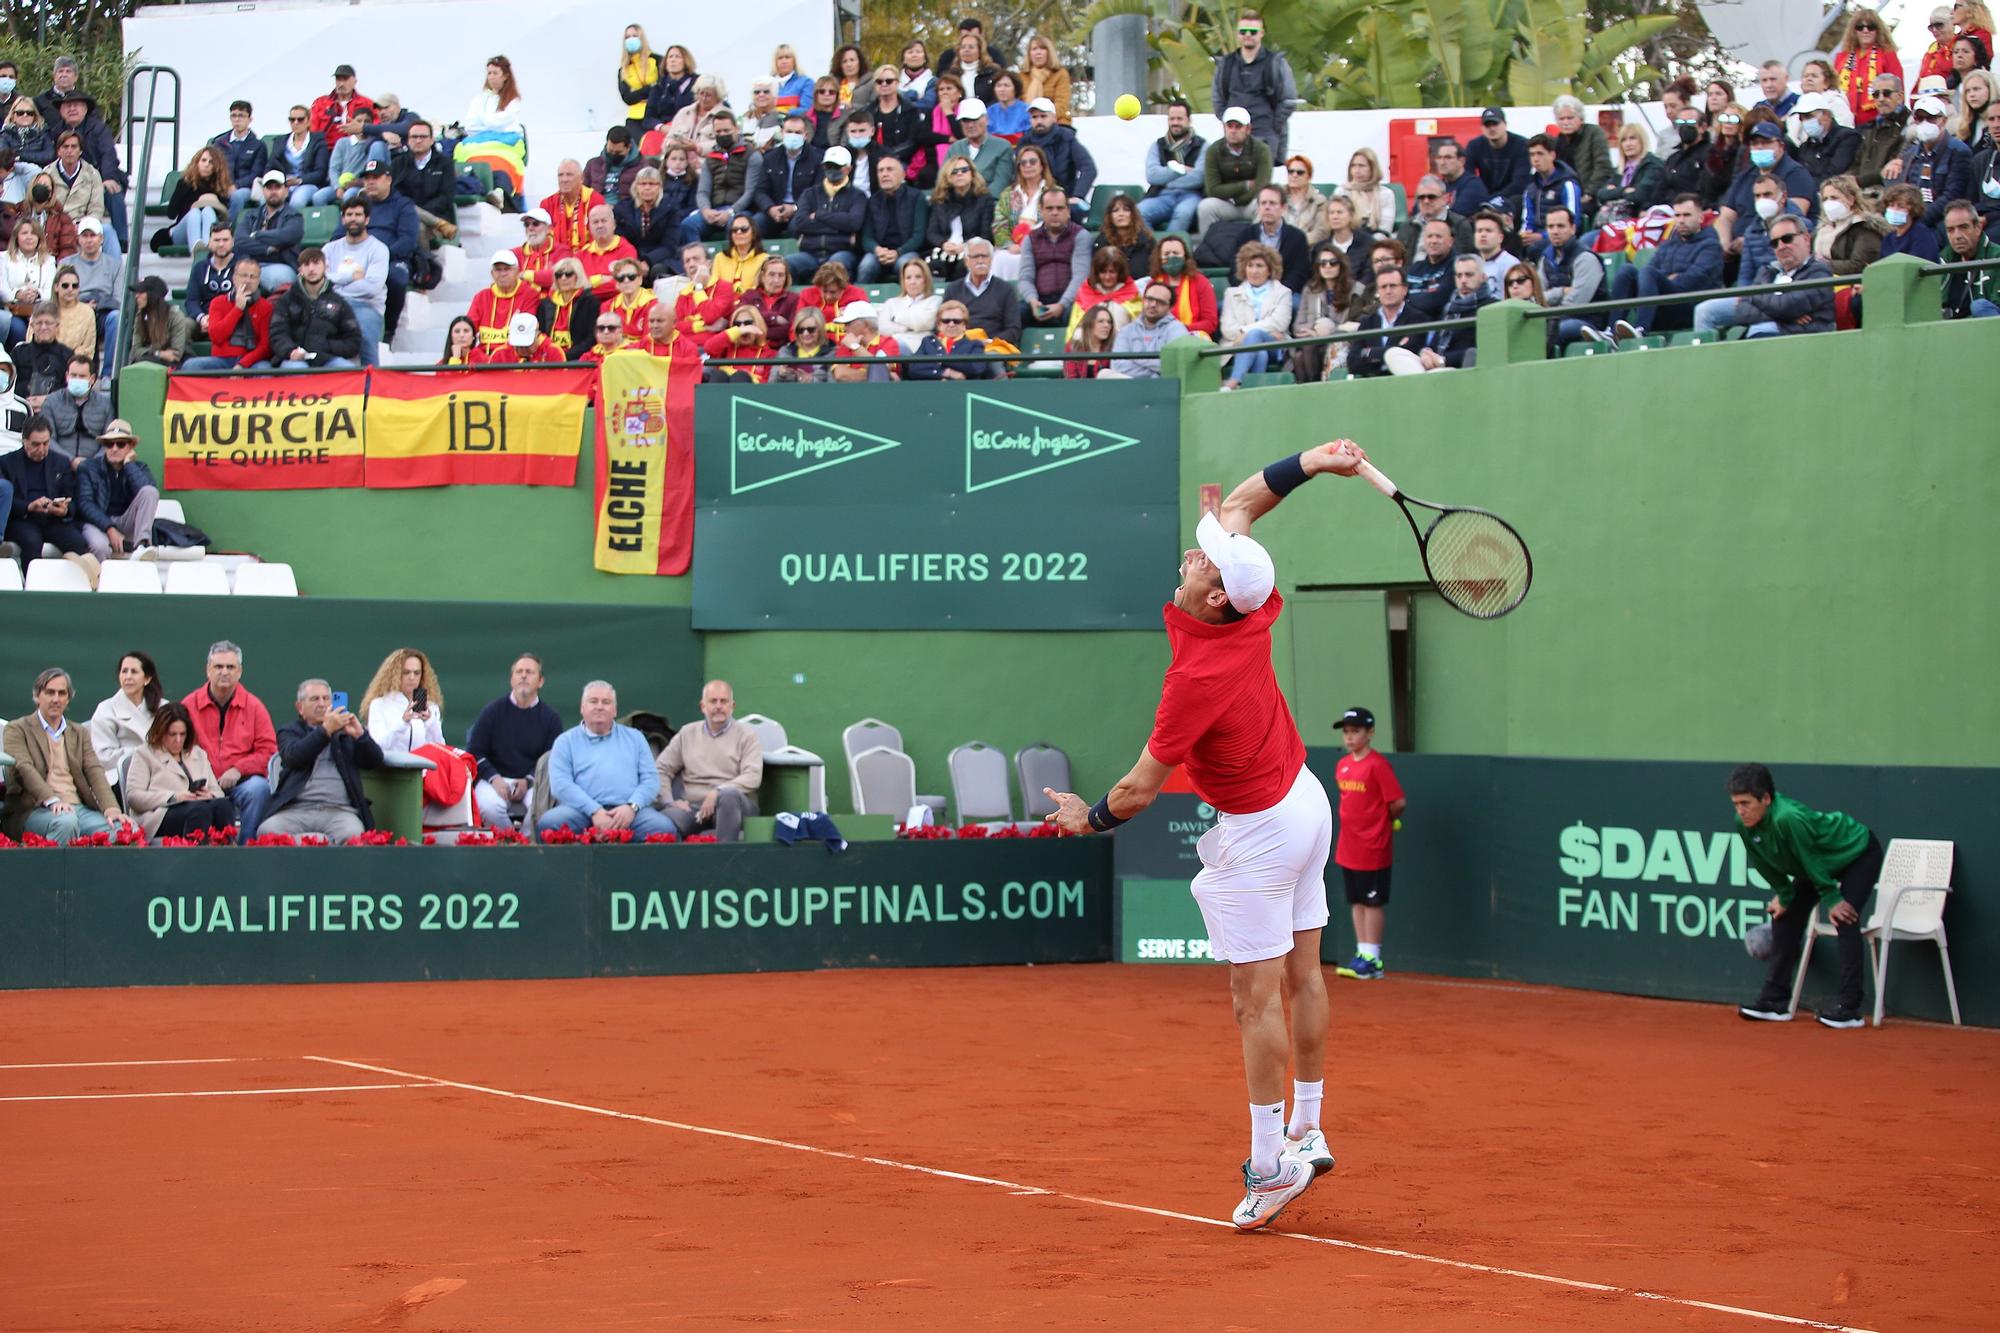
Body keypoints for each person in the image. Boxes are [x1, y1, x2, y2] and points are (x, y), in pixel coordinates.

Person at [1044, 439, 1377, 1229]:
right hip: (1306, 800)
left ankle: (1270, 1164)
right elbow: (1245, 505)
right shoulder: (1251, 603)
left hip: (1261, 831)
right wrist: (1316, 460)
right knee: (1305, 971)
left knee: (1252, 995)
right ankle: (1309, 1123)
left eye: (1204, 561)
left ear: (1219, 595)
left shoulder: (1193, 678)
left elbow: (1136, 790)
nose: (1196, 553)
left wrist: (1083, 818)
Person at [1730, 763, 1882, 1029]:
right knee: (1784, 917)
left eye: (1746, 803)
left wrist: (1833, 899)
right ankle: (1774, 1002)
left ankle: (1849, 1008)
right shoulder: (1744, 825)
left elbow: (1811, 858)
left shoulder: (1787, 818)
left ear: (1766, 798)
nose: (1740, 810)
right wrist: (1785, 895)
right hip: (1820, 865)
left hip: (1856, 851)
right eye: (1736, 803)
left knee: (1845, 917)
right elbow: (1763, 863)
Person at [2, 666, 133, 843]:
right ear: (37, 696)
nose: (56, 699)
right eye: (50, 692)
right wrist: (52, 800)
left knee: (125, 828)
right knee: (66, 823)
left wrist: (111, 808)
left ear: (68, 698)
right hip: (35, 808)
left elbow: (94, 771)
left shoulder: (79, 732)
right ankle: (49, 869)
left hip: (78, 808)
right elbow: (24, 767)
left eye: (62, 693)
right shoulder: (17, 729)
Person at [538, 679, 675, 841]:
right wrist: (595, 811)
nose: (599, 706)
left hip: (630, 813)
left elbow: (651, 780)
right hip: (580, 812)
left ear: (615, 710)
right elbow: (561, 785)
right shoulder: (565, 741)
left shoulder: (635, 738)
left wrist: (631, 807)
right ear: (582, 708)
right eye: (593, 701)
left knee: (665, 829)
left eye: (606, 702)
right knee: (549, 823)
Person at [260, 678, 386, 842]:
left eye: (326, 699)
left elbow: (374, 761)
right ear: (300, 707)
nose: (322, 704)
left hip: (340, 811)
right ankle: (313, 849)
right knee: (267, 831)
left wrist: (360, 735)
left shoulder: (345, 732)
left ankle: (316, 849)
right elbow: (294, 757)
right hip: (296, 810)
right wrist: (326, 730)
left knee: (353, 836)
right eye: (315, 699)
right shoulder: (289, 731)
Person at [1590, 194, 1723, 343]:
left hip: (1690, 307)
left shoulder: (1711, 245)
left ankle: (1641, 330)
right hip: (1663, 305)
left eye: (1687, 215)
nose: (1681, 220)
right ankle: (1611, 331)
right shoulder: (1668, 245)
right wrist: (1666, 279)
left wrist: (1663, 280)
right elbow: (1649, 271)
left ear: (1700, 217)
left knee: (1649, 274)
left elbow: (1695, 279)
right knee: (1627, 271)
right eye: (1677, 215)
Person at [181, 639, 277, 840]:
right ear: (208, 670)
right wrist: (201, 781)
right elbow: (176, 749)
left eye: (230, 667)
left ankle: (245, 851)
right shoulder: (189, 705)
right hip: (199, 784)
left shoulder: (254, 706)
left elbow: (268, 750)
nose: (224, 672)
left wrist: (239, 768)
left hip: (241, 782)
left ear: (240, 671)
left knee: (259, 789)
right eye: (218, 666)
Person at [463, 652, 564, 832]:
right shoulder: (492, 711)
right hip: (494, 779)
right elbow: (474, 752)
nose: (523, 675)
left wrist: (528, 781)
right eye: (519, 672)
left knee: (541, 809)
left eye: (529, 672)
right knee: (489, 807)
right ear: (512, 680)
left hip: (533, 782)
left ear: (541, 681)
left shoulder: (551, 719)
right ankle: (509, 841)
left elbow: (551, 758)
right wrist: (494, 779)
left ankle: (526, 845)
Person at [653, 679, 761, 842]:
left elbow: (753, 776)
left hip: (734, 805)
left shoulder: (747, 735)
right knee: (664, 821)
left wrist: (717, 792)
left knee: (729, 796)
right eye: (713, 701)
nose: (718, 706)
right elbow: (661, 769)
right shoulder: (687, 733)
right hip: (694, 807)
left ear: (732, 706)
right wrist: (669, 801)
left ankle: (724, 861)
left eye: (723, 701)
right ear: (703, 706)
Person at [1692, 215, 1834, 338]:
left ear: (1806, 238)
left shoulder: (1819, 272)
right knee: (1705, 311)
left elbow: (1786, 306)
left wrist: (1755, 297)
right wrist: (1787, 317)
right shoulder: (1768, 271)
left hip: (1790, 340)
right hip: (1757, 338)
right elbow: (1743, 310)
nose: (1781, 246)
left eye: (1787, 239)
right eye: (1775, 243)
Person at [124, 701, 237, 840]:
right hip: (159, 815)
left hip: (199, 808)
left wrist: (209, 795)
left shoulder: (198, 753)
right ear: (160, 732)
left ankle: (225, 854)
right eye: (172, 734)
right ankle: (193, 858)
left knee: (223, 806)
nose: (178, 740)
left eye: (182, 734)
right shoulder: (144, 754)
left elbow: (217, 791)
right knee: (199, 810)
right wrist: (173, 797)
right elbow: (133, 797)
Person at [2, 415, 94, 582]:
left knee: (77, 542)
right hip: (22, 520)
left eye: (46, 443)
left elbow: (72, 497)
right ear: (24, 441)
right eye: (36, 444)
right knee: (31, 541)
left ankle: (75, 587)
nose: (42, 449)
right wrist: (29, 506)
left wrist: (64, 509)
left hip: (52, 519)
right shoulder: (7, 463)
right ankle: (34, 588)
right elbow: (5, 500)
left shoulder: (60, 462)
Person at [1211, 8, 1296, 159]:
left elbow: (1288, 100)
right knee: (1232, 181)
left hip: (1265, 136)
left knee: (1263, 182)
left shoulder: (1276, 63)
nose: (1248, 35)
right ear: (1238, 34)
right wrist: (1229, 124)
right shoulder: (1226, 64)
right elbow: (1218, 99)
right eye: (1243, 31)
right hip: (1233, 138)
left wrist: (1274, 126)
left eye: (1253, 31)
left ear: (1261, 33)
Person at [76, 418, 156, 563]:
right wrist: (109, 528)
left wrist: (129, 465)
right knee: (100, 546)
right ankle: (99, 583)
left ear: (130, 446)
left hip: (126, 522)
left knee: (150, 492)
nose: (114, 449)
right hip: (97, 523)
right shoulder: (88, 467)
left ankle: (142, 547)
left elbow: (148, 493)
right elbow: (85, 503)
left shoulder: (140, 468)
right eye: (109, 444)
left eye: (120, 444)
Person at [269, 248, 362, 369]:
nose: (311, 269)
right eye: (306, 264)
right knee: (297, 369)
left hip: (328, 359)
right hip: (293, 360)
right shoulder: (286, 300)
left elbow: (353, 340)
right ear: (300, 270)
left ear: (325, 267)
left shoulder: (339, 303)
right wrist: (290, 351)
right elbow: (277, 334)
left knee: (347, 369)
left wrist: (327, 346)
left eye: (316, 263)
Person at [1889, 94, 1973, 227]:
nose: (1925, 123)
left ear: (1944, 121)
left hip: (1943, 221)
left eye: (1931, 118)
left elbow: (1952, 196)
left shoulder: (1958, 151)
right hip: (1911, 219)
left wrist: (1918, 222)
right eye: (1919, 118)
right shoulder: (1909, 154)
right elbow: (1902, 190)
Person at [1218, 240, 1292, 390]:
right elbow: (1227, 328)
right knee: (1259, 353)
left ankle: (1234, 380)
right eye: (1250, 266)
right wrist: (1250, 335)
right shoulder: (1231, 294)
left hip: (1274, 345)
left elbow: (1279, 323)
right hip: (1237, 345)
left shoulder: (1283, 292)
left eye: (1260, 266)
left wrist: (1245, 331)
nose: (1254, 271)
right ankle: (1253, 392)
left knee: (1256, 334)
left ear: (1270, 270)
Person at [323, 197, 389, 363]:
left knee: (364, 333)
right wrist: (350, 277)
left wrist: (334, 284)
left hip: (366, 306)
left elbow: (372, 287)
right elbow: (319, 281)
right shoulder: (330, 249)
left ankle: (373, 381)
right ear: (343, 218)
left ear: (366, 219)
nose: (353, 218)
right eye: (349, 214)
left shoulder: (378, 249)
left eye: (358, 214)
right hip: (331, 303)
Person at [788, 145, 865, 282]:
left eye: (836, 166)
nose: (831, 170)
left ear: (848, 169)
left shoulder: (857, 196)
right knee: (784, 265)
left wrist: (818, 215)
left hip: (842, 252)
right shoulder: (810, 194)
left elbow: (854, 223)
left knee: (836, 264)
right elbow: (800, 223)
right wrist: (838, 225)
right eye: (828, 166)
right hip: (810, 253)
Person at [1019, 188, 1091, 328]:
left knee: (1077, 313)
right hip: (1039, 301)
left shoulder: (1081, 236)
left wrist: (1062, 304)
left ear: (1068, 211)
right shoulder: (1030, 239)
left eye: (1060, 208)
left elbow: (1080, 277)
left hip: (1070, 301)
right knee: (1015, 313)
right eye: (1049, 208)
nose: (1055, 213)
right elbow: (1025, 277)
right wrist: (1033, 302)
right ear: (1041, 211)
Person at [182, 257, 270, 370]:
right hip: (221, 360)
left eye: (252, 277)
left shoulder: (265, 307)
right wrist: (237, 309)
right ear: (234, 278)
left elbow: (265, 346)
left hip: (251, 361)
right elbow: (216, 337)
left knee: (264, 369)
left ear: (258, 281)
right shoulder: (218, 302)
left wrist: (242, 364)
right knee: (191, 366)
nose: (248, 280)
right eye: (244, 275)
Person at [1535, 206, 1605, 348]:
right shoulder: (1545, 259)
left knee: (1554, 331)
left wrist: (1549, 310)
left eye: (1561, 226)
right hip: (1554, 318)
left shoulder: (1585, 258)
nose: (1555, 231)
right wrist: (1560, 292)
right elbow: (1538, 298)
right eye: (1550, 227)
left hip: (1587, 321)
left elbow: (1577, 303)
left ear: (1573, 228)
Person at [1197, 107, 1272, 236]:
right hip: (1226, 203)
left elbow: (1262, 186)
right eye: (1230, 126)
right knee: (1205, 207)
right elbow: (1212, 189)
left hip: (1251, 202)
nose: (1233, 131)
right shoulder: (1213, 150)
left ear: (1248, 129)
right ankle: (1209, 251)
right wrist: (1245, 186)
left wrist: (1238, 200)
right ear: (1224, 127)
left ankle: (1258, 249)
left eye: (1238, 127)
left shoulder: (1262, 149)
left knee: (1265, 206)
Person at [1137, 99, 1205, 235]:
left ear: (1189, 120)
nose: (1175, 123)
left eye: (1179, 119)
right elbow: (1152, 176)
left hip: (1191, 196)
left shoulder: (1203, 145)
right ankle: (1153, 250)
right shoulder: (1158, 145)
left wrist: (1166, 178)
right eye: (1171, 118)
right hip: (1162, 196)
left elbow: (1199, 177)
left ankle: (1170, 250)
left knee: (1183, 213)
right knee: (1138, 212)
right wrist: (1181, 170)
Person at [88, 648, 162, 772]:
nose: (128, 677)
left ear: (147, 679)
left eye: (134, 672)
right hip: (122, 777)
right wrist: (140, 752)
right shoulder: (106, 710)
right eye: (124, 671)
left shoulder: (163, 707)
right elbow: (103, 757)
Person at [361, 647, 445, 755]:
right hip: (391, 768)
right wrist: (402, 723)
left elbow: (440, 748)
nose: (412, 677)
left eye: (417, 673)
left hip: (421, 768)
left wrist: (430, 722)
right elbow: (377, 745)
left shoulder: (431, 707)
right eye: (406, 672)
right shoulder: (380, 704)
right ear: (395, 674)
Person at [942, 237, 1022, 346]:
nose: (980, 261)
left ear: (991, 259)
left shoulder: (1005, 289)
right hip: (960, 348)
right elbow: (944, 324)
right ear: (966, 261)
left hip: (993, 348)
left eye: (984, 256)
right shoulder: (953, 289)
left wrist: (990, 342)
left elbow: (1014, 329)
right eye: (975, 256)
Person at [753, 116, 823, 239]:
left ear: (805, 135)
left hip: (802, 210)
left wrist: (795, 208)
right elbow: (760, 191)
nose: (793, 136)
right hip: (775, 209)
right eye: (789, 132)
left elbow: (817, 192)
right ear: (782, 133)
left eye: (798, 133)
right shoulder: (770, 157)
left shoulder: (817, 158)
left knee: (796, 226)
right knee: (754, 225)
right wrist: (770, 208)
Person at [925, 153, 995, 277]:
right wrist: (944, 244)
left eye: (964, 170)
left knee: (963, 267)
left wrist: (965, 246)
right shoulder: (940, 200)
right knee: (933, 266)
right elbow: (932, 232)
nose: (959, 174)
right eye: (954, 171)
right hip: (945, 250)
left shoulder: (984, 200)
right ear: (948, 177)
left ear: (972, 174)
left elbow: (986, 235)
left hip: (972, 250)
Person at [859, 155, 926, 283]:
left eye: (890, 169)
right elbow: (867, 237)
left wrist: (898, 252)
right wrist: (876, 249)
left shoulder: (916, 197)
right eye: (881, 170)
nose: (884, 174)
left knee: (906, 265)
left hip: (906, 251)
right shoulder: (873, 201)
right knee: (866, 265)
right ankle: (859, 301)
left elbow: (919, 236)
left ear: (902, 175)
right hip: (880, 253)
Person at [1102, 282, 1189, 380]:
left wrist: (1135, 357)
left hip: (1162, 386)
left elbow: (1171, 366)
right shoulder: (1127, 330)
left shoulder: (1177, 329)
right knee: (1104, 373)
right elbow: (1118, 365)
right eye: (1149, 299)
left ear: (1171, 307)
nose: (1153, 304)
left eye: (1160, 302)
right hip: (1130, 384)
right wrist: (1154, 375)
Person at [233, 170, 303, 291]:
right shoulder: (251, 215)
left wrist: (256, 235)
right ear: (263, 191)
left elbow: (286, 236)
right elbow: (239, 240)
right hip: (248, 265)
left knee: (282, 278)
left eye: (277, 187)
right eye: (269, 188)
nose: (273, 191)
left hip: (280, 265)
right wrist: (268, 249)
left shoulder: (294, 216)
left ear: (286, 191)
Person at [1834, 8, 1903, 128]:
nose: (1865, 30)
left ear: (1878, 30)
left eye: (1870, 27)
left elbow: (1898, 91)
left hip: (1877, 123)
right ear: (1854, 31)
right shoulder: (1842, 58)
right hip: (1845, 123)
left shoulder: (1888, 55)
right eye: (1860, 27)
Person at [1018, 98, 1096, 199]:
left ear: (1054, 118)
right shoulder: (1024, 141)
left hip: (1064, 198)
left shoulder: (1067, 138)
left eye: (1043, 116)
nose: (1039, 121)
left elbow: (1089, 168)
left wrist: (1077, 196)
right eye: (1034, 117)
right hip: (1029, 198)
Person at [1520, 135, 1583, 253]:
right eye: (1532, 154)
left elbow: (1574, 222)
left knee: (1534, 249)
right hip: (1535, 238)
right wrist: (1525, 234)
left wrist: (1543, 236)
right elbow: (1527, 219)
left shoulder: (1568, 185)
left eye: (1540, 153)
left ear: (1552, 155)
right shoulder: (1531, 188)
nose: (1535, 159)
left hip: (1559, 238)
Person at [1813, 174, 1886, 275]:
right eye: (1825, 199)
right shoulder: (1823, 228)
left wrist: (1822, 265)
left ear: (1851, 199)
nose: (1828, 203)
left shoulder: (1864, 227)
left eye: (1834, 198)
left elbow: (1860, 265)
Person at [1941, 198, 2000, 317]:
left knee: (1980, 307)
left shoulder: (1996, 257)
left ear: (1978, 228)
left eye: (1963, 227)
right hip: (1949, 331)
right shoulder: (1942, 262)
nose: (1957, 236)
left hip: (1987, 329)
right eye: (1950, 230)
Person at [1466, 107, 1531, 215]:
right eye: (1487, 125)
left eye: (1495, 124)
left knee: (1518, 199)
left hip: (1511, 196)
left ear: (1505, 124)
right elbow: (1468, 177)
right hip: (1484, 196)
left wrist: (1492, 200)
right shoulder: (1474, 146)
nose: (1492, 129)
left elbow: (1520, 183)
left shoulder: (1522, 145)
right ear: (1482, 128)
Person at [1149, 234, 1216, 337]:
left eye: (1176, 253)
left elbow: (1210, 323)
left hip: (1192, 337)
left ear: (1185, 257)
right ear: (1159, 258)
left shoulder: (1201, 282)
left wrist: (1179, 329)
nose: (1171, 257)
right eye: (1166, 254)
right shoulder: (1153, 284)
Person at [44, 353, 109, 459]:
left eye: (82, 376)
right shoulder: (51, 401)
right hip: (59, 463)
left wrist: (92, 464)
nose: (77, 379)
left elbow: (109, 440)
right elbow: (47, 439)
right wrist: (70, 461)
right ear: (67, 376)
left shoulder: (105, 404)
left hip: (95, 465)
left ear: (92, 379)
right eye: (73, 375)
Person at [1597, 123, 1666, 219]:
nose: (1628, 144)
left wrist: (1614, 192)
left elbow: (1640, 195)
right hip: (1614, 220)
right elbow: (1601, 194)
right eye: (1624, 140)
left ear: (1642, 141)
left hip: (1639, 218)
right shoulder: (1620, 169)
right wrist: (1624, 190)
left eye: (1632, 138)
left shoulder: (1653, 165)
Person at [1793, 92, 1861, 186]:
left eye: (1809, 116)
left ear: (1826, 114)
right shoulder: (1805, 147)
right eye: (1801, 118)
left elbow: (1835, 174)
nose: (1805, 122)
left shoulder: (1847, 137)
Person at [535, 257, 599, 357]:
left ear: (578, 276)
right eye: (559, 275)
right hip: (548, 358)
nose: (563, 278)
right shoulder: (545, 303)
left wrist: (565, 355)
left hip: (578, 359)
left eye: (568, 274)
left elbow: (592, 338)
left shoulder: (590, 302)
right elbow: (540, 334)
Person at [126, 275, 191, 368]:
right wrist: (158, 353)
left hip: (176, 365)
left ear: (152, 295)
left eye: (141, 292)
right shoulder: (140, 317)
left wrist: (148, 352)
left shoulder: (175, 316)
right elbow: (135, 351)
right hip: (152, 361)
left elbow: (175, 355)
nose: (136, 296)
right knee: (142, 362)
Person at [879, 254, 940, 339]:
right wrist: (907, 328)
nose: (913, 282)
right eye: (908, 278)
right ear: (903, 281)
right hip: (894, 346)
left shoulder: (935, 300)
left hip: (922, 346)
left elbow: (925, 323)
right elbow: (882, 328)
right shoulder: (891, 303)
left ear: (926, 280)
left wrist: (896, 318)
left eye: (918, 277)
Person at [1879, 183, 1944, 259]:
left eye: (1901, 206)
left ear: (1913, 209)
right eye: (1891, 205)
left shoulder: (1921, 235)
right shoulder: (1888, 239)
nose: (1894, 210)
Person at [645, 46, 698, 132]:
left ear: (686, 61)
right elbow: (648, 119)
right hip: (665, 131)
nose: (673, 60)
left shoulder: (698, 83)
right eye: (670, 57)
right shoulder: (658, 88)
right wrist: (661, 127)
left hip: (692, 129)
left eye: (677, 57)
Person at [1064, 302, 1118, 378]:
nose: (1106, 325)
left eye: (1109, 322)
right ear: (1089, 323)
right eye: (1101, 321)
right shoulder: (1073, 346)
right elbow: (1071, 377)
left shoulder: (1114, 347)